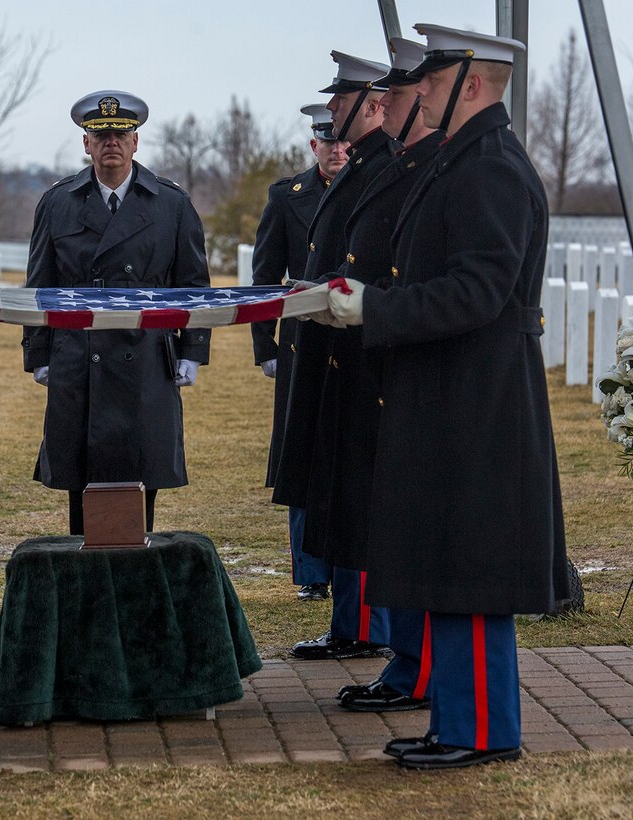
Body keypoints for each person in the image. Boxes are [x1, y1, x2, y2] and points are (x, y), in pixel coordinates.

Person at [322, 23, 570, 769]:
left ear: (472, 83)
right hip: (449, 392)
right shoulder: (458, 161)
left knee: (469, 567)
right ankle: (461, 723)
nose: (416, 91)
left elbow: (477, 290)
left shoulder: (488, 167)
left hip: (477, 397)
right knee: (447, 561)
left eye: (430, 80)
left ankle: (485, 731)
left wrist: (375, 311)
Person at [302, 37, 441, 713]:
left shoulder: (410, 167)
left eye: (348, 99)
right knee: (369, 519)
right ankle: (403, 660)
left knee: (394, 525)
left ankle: (412, 664)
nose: (345, 110)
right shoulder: (384, 163)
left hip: (382, 360)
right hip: (356, 356)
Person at [22, 91, 210, 534]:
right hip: (77, 356)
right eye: (101, 133)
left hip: (145, 357)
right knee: (81, 481)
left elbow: (194, 285)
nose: (111, 141)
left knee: (140, 473)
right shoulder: (58, 202)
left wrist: (193, 350)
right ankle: (83, 576)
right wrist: (39, 352)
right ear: (86, 143)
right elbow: (39, 284)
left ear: (136, 141)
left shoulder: (171, 203)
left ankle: (134, 575)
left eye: (120, 133)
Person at [275, 52, 394, 661]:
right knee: (341, 492)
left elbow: (373, 265)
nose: (332, 113)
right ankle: (352, 623)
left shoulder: (384, 169)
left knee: (362, 496)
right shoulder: (365, 167)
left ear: (373, 105)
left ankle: (369, 628)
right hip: (335, 350)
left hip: (363, 354)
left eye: (341, 103)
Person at [250, 104, 347, 602]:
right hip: (303, 341)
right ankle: (311, 572)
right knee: (302, 451)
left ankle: (350, 566)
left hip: (353, 338)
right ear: (314, 147)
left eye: (341, 142)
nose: (335, 150)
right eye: (326, 143)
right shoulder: (288, 198)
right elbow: (266, 272)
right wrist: (264, 343)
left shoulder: (369, 190)